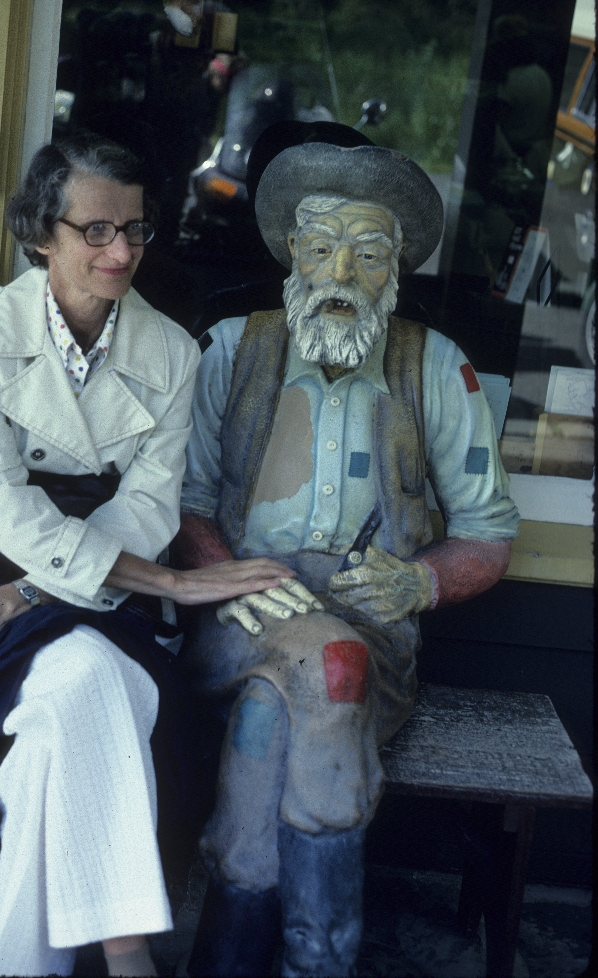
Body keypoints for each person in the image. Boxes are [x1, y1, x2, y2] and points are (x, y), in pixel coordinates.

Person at [0, 133, 297, 977]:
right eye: (95, 230)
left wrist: (13, 603)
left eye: (134, 229)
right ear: (41, 234)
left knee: (60, 728)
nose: (121, 251)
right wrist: (153, 580)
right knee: (101, 687)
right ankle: (129, 951)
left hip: (99, 589)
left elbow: (147, 508)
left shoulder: (172, 353)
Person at [174, 130, 520, 976]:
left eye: (367, 254)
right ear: (293, 253)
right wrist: (220, 572)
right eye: (322, 247)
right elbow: (183, 502)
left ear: (395, 269)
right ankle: (320, 959)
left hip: (374, 633)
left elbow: (488, 534)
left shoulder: (437, 368)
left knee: (272, 716)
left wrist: (421, 580)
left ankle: (226, 961)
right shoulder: (228, 350)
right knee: (331, 667)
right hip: (241, 618)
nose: (341, 273)